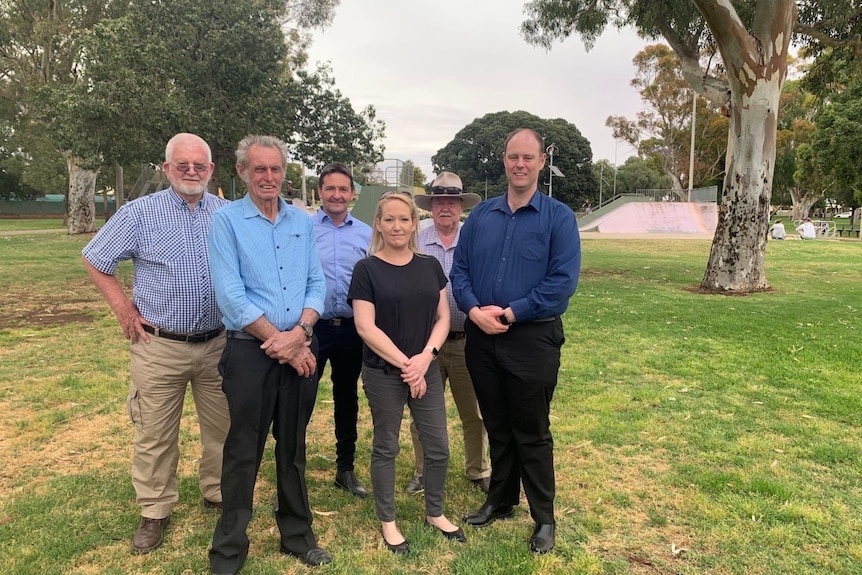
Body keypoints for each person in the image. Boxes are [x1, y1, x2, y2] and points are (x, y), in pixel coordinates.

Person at [81, 133, 231, 554]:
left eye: (199, 165)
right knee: (154, 433)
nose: (191, 171)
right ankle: (154, 509)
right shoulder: (139, 213)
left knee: (222, 428)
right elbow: (96, 258)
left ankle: (218, 491)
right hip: (159, 346)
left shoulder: (226, 214)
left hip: (218, 343)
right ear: (166, 169)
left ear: (210, 170)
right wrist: (124, 310)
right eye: (181, 164)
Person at [451, 128, 581, 555]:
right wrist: (473, 311)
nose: (519, 164)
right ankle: (501, 500)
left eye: (528, 157)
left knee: (532, 429)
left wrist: (510, 312)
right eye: (512, 157)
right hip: (481, 338)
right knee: (497, 425)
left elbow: (561, 284)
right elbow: (461, 273)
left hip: (532, 338)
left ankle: (543, 517)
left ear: (542, 161)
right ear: (503, 161)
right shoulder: (481, 218)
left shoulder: (558, 217)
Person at [207, 135, 330, 572]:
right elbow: (231, 296)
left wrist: (300, 334)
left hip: (300, 348)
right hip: (249, 355)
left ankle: (297, 536)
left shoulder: (302, 221)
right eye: (259, 169)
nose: (268, 177)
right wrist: (280, 343)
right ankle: (228, 549)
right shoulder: (226, 222)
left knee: (293, 448)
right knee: (243, 450)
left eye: (275, 169)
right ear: (242, 172)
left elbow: (318, 284)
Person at [349, 192, 464, 554]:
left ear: (415, 223)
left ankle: (435, 511)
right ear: (379, 225)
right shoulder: (366, 269)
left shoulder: (430, 266)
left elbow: (443, 317)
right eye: (389, 219)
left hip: (424, 368)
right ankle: (389, 521)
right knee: (386, 446)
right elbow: (366, 327)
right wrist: (407, 364)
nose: (397, 226)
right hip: (385, 372)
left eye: (404, 219)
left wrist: (425, 358)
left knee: (439, 447)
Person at [405, 172, 490, 495]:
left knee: (475, 412)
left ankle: (478, 469)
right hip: (427, 343)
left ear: (460, 206)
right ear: (431, 206)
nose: (445, 208)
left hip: (469, 339)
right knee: (422, 410)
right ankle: (423, 470)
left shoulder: (475, 239)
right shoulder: (417, 241)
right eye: (439, 202)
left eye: (451, 202)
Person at [312, 162, 372, 499]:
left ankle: (345, 468)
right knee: (300, 399)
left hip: (352, 328)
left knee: (346, 397)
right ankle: (292, 470)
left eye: (343, 189)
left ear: (352, 194)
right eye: (330, 188)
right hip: (312, 328)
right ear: (320, 192)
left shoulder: (366, 233)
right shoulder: (303, 230)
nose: (337, 195)